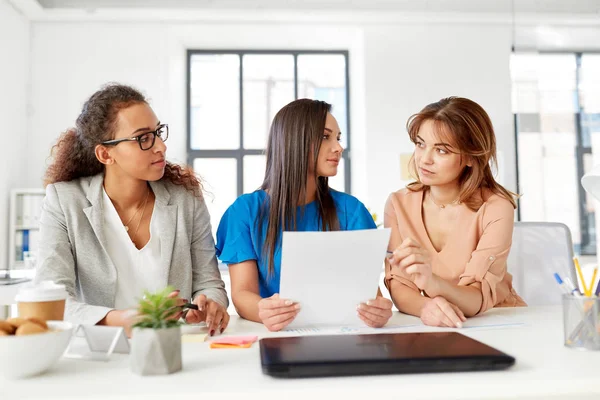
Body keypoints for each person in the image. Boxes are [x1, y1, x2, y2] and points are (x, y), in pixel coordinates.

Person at [36, 83, 229, 336]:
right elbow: (51, 300)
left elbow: (210, 282)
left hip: (174, 348)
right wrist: (125, 320)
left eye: (158, 132)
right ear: (105, 154)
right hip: (100, 351)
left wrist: (208, 302)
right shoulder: (65, 201)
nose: (161, 146)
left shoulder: (185, 199)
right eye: (143, 138)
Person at [216, 99, 393, 331]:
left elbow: (370, 294)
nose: (339, 148)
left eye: (338, 138)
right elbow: (242, 294)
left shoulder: (352, 211)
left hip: (344, 335)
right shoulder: (244, 211)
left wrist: (378, 311)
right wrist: (265, 310)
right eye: (324, 137)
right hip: (275, 335)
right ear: (293, 141)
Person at [385, 96, 526, 328]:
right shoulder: (398, 204)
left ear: (471, 157)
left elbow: (477, 298)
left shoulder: (496, 207)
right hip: (433, 324)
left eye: (441, 150)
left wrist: (432, 284)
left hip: (498, 322)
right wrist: (426, 308)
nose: (424, 159)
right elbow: (399, 286)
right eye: (421, 144)